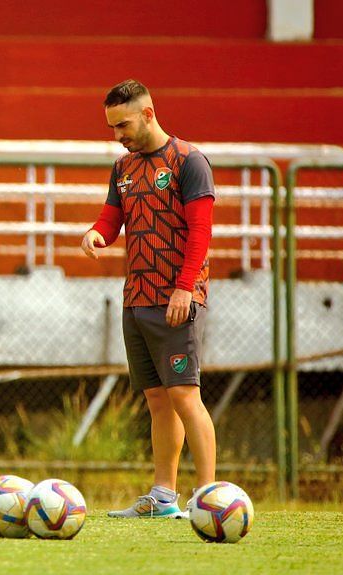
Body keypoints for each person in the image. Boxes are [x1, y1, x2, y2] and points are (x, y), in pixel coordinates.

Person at [81, 79, 217, 518]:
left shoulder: (189, 161)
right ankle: (163, 496)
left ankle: (209, 495)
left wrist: (185, 286)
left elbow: (201, 230)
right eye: (112, 127)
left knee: (184, 395)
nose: (117, 135)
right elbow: (112, 216)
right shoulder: (123, 168)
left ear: (148, 114)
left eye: (122, 125)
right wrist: (96, 234)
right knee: (157, 399)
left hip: (175, 297)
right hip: (136, 297)